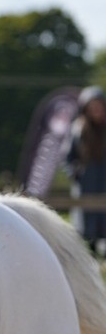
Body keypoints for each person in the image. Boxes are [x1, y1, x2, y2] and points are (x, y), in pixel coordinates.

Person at [67, 86, 106, 255]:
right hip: (87, 187)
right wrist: (76, 174)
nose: (96, 111)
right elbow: (69, 158)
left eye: (99, 106)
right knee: (87, 236)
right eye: (92, 107)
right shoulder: (78, 130)